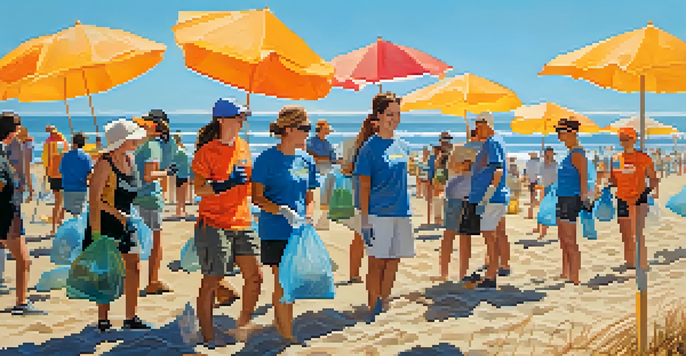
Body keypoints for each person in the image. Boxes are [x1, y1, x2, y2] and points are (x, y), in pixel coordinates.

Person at [192, 98, 262, 345]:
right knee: (213, 279)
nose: (242, 121)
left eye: (243, 117)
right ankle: (208, 337)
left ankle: (242, 326)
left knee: (255, 277)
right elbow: (199, 189)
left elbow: (249, 183)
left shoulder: (243, 145)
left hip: (243, 220)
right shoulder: (207, 151)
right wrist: (224, 184)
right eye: (237, 116)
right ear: (221, 120)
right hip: (213, 222)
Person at [252, 105, 318, 343]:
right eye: (305, 128)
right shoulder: (266, 159)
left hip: (299, 230)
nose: (308, 133)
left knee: (292, 281)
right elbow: (256, 197)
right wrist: (280, 209)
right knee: (284, 280)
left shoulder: (306, 159)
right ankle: (287, 334)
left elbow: (309, 196)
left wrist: (309, 216)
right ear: (289, 129)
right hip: (275, 229)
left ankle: (281, 323)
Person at [83, 118, 150, 331]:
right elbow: (94, 199)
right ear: (122, 140)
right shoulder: (104, 163)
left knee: (134, 267)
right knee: (107, 272)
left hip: (127, 221)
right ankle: (103, 320)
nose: (137, 141)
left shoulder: (130, 159)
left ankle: (131, 318)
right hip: (104, 224)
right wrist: (116, 214)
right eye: (132, 138)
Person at [355, 92, 414, 313]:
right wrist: (365, 220)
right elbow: (364, 186)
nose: (395, 119)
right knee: (377, 261)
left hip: (402, 211)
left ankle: (384, 299)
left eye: (398, 114)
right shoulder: (369, 149)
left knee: (394, 259)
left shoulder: (403, 146)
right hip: (378, 214)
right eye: (390, 114)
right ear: (378, 116)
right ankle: (373, 304)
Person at [0, 112, 44, 315]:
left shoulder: (5, 150)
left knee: (22, 259)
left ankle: (21, 302)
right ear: (12, 130)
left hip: (8, 211)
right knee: (24, 260)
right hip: (7, 213)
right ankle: (21, 303)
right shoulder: (1, 152)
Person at [461, 112, 509, 289]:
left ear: (487, 124)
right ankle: (491, 272)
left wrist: (487, 195)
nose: (476, 129)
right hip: (492, 197)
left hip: (491, 198)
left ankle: (491, 276)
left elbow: (497, 171)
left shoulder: (493, 141)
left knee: (490, 236)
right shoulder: (494, 141)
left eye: (478, 125)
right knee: (490, 235)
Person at [132, 110, 177, 295]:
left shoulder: (147, 144)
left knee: (135, 243)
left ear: (155, 127)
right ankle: (152, 281)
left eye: (144, 124)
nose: (140, 126)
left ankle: (135, 282)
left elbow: (146, 174)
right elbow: (150, 175)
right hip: (148, 198)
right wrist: (167, 173)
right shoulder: (152, 144)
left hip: (136, 197)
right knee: (153, 243)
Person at [610, 127, 658, 271]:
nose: (624, 142)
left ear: (634, 139)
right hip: (622, 197)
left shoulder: (643, 158)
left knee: (637, 232)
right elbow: (614, 179)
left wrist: (646, 192)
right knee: (625, 233)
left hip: (639, 198)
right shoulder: (616, 158)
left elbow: (653, 178)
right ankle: (630, 263)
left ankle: (642, 264)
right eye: (622, 139)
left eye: (627, 139)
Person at [340, 115, 379, 284]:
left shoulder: (353, 144)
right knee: (370, 236)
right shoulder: (378, 144)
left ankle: (354, 273)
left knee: (359, 236)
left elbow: (345, 169)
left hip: (359, 194)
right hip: (374, 193)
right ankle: (364, 273)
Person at [432, 147, 477, 282]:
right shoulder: (465, 174)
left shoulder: (462, 174)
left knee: (458, 238)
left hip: (461, 201)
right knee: (454, 237)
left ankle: (454, 273)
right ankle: (450, 273)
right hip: (458, 200)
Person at [555, 118, 588, 285]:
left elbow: (584, 179)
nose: (558, 135)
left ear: (572, 132)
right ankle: (565, 273)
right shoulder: (571, 153)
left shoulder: (577, 154)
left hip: (571, 199)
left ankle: (575, 278)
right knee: (562, 237)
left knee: (569, 239)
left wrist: (584, 200)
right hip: (562, 198)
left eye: (561, 131)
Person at [306, 120, 337, 231]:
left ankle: (324, 216)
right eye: (326, 129)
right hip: (316, 169)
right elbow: (311, 156)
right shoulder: (311, 142)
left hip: (325, 168)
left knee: (332, 178)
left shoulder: (327, 144)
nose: (327, 131)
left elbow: (333, 159)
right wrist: (325, 159)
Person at [59, 132, 93, 217]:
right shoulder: (86, 156)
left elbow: (61, 171)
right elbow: (89, 173)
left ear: (73, 143)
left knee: (68, 213)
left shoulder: (66, 156)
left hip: (68, 188)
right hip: (81, 188)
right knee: (79, 213)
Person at [42, 125, 68, 234]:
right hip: (63, 174)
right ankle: (59, 223)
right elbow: (64, 156)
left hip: (53, 174)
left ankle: (54, 226)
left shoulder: (49, 143)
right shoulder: (62, 141)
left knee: (58, 201)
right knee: (62, 201)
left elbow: (46, 158)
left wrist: (46, 171)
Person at [534, 147, 558, 238]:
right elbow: (539, 176)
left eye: (550, 154)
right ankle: (540, 229)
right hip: (544, 187)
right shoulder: (541, 165)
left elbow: (557, 176)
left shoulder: (555, 164)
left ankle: (544, 231)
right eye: (547, 155)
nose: (549, 156)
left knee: (552, 209)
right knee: (543, 208)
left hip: (554, 188)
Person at [172, 134, 190, 218]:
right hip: (184, 174)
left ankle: (179, 210)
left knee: (179, 194)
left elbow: (175, 164)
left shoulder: (176, 151)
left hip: (179, 174)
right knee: (182, 195)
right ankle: (181, 210)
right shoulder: (181, 151)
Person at [525, 152, 541, 219]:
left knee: (532, 198)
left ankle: (530, 214)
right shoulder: (538, 162)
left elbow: (527, 172)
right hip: (538, 181)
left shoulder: (528, 163)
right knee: (540, 197)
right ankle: (539, 214)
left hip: (531, 181)